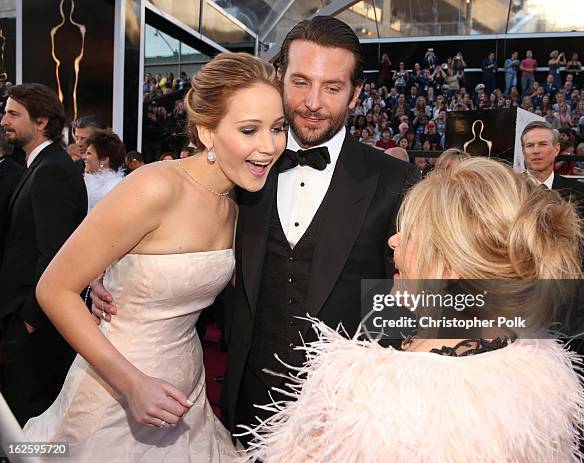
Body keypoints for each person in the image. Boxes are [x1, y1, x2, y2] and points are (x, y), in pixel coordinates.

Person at [92, 17, 420, 443]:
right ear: (279, 77)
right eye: (300, 82)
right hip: (245, 409)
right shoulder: (240, 170)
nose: (312, 103)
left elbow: (435, 294)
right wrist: (109, 268)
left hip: (346, 416)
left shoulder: (396, 180)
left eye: (332, 87)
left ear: (356, 94)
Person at [243, 157, 584, 462]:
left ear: (453, 264)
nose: (393, 240)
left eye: (412, 233)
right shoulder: (536, 363)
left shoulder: (365, 391)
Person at [23, 53, 286, 461]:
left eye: (278, 128)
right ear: (207, 132)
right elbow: (53, 288)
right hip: (116, 391)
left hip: (186, 392)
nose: (269, 146)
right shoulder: (156, 187)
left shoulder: (238, 204)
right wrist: (130, 383)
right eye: (250, 130)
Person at [0, 83, 88, 426]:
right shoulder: (38, 166)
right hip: (23, 318)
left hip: (35, 326)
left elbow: (55, 253)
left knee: (30, 419)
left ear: (41, 122)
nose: (4, 120)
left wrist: (30, 320)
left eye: (12, 114)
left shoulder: (52, 171)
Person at [521, 121, 584, 241]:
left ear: (556, 149)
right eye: (530, 145)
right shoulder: (508, 189)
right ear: (523, 152)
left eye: (542, 144)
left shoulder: (580, 192)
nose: (535, 151)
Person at [83, 128, 126, 213]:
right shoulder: (89, 183)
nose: (83, 157)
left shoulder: (115, 188)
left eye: (89, 153)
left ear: (104, 159)